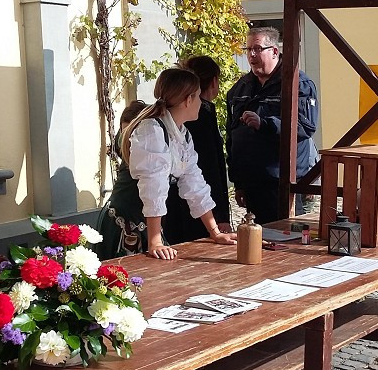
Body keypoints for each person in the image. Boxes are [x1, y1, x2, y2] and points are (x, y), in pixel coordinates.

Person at [122, 68, 236, 260]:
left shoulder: (182, 134)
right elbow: (153, 188)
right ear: (188, 100)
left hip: (149, 223)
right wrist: (155, 241)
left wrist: (215, 232)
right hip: (130, 222)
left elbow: (195, 184)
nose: (202, 102)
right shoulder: (152, 131)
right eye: (198, 96)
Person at [226, 27, 319, 225]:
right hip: (252, 182)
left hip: (282, 184)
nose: (251, 55)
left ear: (274, 51)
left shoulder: (297, 83)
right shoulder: (240, 88)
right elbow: (232, 136)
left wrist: (266, 124)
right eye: (248, 49)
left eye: (257, 49)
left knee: (287, 242)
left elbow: (305, 126)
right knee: (257, 242)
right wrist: (239, 183)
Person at [169, 55, 231, 242]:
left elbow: (194, 174)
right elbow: (209, 168)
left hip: (192, 203)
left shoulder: (186, 125)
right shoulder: (158, 130)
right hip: (183, 209)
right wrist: (219, 217)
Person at [97, 100, 149, 258]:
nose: (128, 140)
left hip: (142, 221)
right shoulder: (131, 155)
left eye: (132, 133)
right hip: (118, 223)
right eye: (124, 133)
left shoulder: (153, 154)